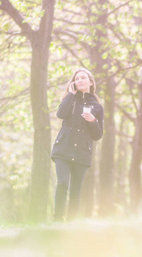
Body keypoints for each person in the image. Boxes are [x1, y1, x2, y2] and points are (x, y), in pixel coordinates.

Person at [51, 69, 103, 221]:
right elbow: (60, 114)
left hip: (82, 152)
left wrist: (93, 121)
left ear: (90, 82)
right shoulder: (70, 98)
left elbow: (97, 135)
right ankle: (58, 219)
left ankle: (72, 223)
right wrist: (70, 95)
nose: (79, 80)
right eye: (77, 78)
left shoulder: (97, 107)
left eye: (83, 78)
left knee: (75, 191)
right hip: (63, 149)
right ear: (74, 83)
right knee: (62, 183)